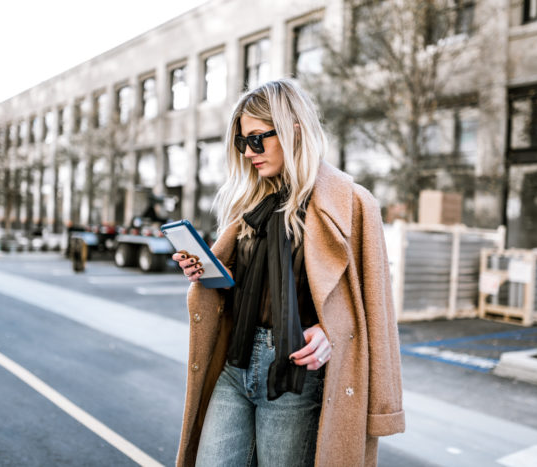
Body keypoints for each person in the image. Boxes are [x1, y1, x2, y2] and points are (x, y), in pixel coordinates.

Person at [172, 79, 404, 467]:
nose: (249, 153)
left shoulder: (353, 204)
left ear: (294, 129)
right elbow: (241, 287)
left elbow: (374, 309)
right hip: (235, 366)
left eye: (258, 139)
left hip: (295, 375)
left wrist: (330, 334)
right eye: (242, 143)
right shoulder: (249, 201)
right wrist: (207, 273)